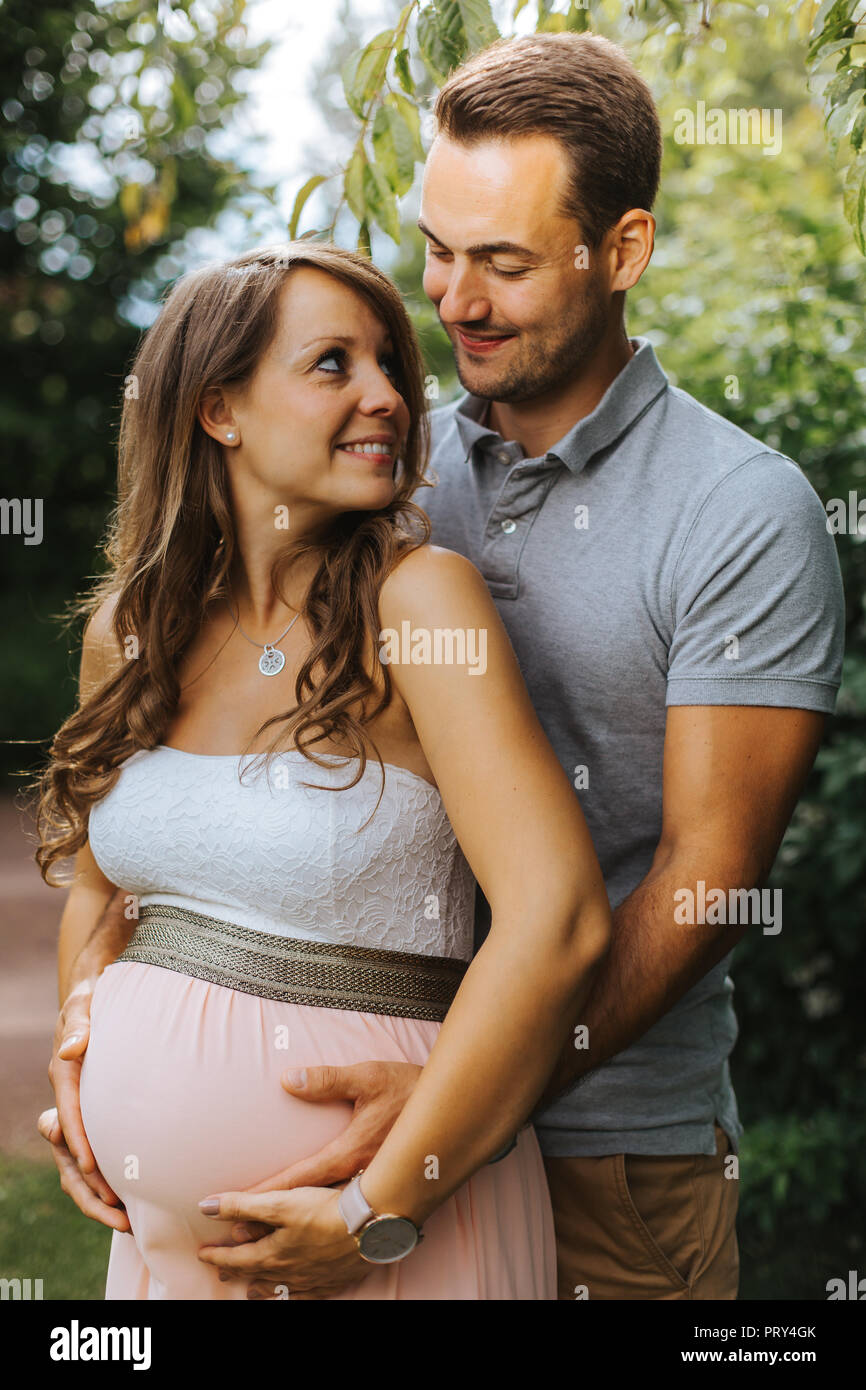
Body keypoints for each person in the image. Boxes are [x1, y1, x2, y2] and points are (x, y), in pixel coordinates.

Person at [41, 32, 846, 1301]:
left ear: (620, 252)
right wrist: (103, 1026)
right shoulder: (390, 477)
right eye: (439, 250)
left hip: (610, 1153)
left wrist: (464, 1096)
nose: (454, 302)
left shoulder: (737, 509)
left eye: (504, 263)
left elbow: (706, 881)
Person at [30, 240, 611, 1300]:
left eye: (389, 363)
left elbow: (558, 917)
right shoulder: (132, 629)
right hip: (166, 1255)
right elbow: (106, 891)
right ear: (219, 410)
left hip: (394, 1224)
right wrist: (84, 1032)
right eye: (333, 364)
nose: (388, 395)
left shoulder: (418, 602)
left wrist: (377, 1208)